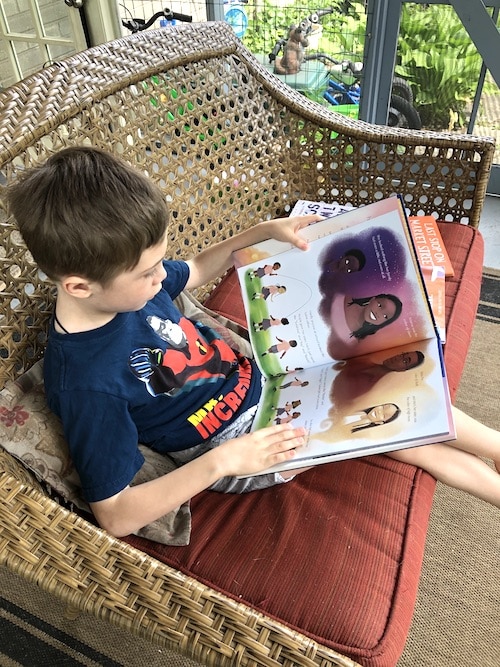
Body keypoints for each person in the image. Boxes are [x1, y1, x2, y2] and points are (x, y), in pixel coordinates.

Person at [6, 147, 500, 538]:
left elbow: (196, 268)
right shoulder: (88, 383)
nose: (162, 277)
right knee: (391, 418)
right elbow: (114, 515)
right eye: (147, 272)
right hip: (238, 445)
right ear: (77, 286)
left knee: (397, 385)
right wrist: (225, 460)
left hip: (264, 379)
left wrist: (260, 233)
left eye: (158, 263)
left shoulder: (131, 290)